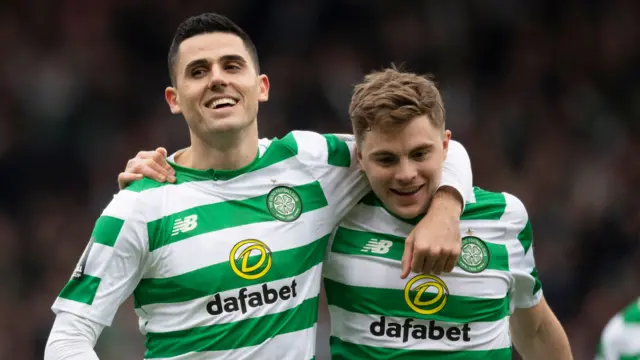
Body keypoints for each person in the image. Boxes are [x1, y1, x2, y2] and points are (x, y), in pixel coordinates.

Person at [44, 13, 472, 360]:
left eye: (232, 66)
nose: (217, 79)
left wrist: (446, 209)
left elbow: (434, 148)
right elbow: (67, 339)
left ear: (261, 87)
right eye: (198, 71)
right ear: (174, 99)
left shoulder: (311, 163)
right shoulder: (139, 205)